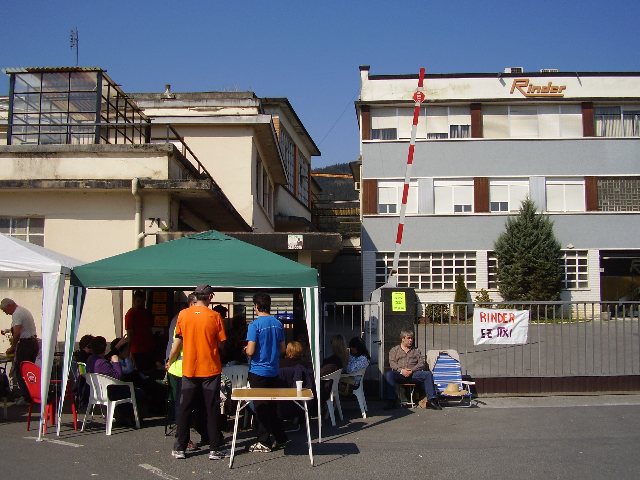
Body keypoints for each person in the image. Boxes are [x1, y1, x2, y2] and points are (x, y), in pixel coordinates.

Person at [167, 284, 228, 461]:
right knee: (211, 408)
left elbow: (177, 341)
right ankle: (214, 448)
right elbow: (222, 343)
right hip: (210, 368)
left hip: (189, 368)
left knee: (185, 408)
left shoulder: (183, 314)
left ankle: (180, 447)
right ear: (210, 297)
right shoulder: (215, 316)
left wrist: (170, 361)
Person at [243, 292, 288, 453]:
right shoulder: (278, 324)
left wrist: (245, 349)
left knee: (261, 406)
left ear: (256, 306)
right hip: (274, 369)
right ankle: (281, 438)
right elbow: (283, 349)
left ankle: (264, 441)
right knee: (274, 405)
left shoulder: (254, 325)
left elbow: (250, 350)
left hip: (258, 370)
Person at [384, 330, 441, 411]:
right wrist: (401, 370)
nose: (410, 340)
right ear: (402, 339)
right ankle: (391, 400)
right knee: (389, 374)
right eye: (408, 338)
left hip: (413, 374)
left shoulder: (416, 350)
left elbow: (421, 363)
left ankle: (431, 400)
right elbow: (392, 363)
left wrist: (412, 370)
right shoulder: (395, 350)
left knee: (427, 374)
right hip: (400, 374)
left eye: (412, 338)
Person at [1, 298, 38, 406]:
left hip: (25, 344)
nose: (6, 313)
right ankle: (32, 394)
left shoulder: (17, 314)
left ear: (9, 305)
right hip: (32, 342)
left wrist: (13, 346)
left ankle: (26, 397)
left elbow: (17, 332)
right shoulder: (23, 310)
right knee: (29, 370)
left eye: (5, 310)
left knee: (20, 370)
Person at [125, 290, 155, 374]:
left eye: (142, 301)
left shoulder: (145, 312)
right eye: (138, 301)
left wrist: (152, 343)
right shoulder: (130, 314)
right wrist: (128, 351)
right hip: (137, 349)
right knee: (141, 372)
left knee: (150, 371)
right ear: (134, 301)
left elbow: (149, 329)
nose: (140, 303)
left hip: (148, 347)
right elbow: (129, 334)